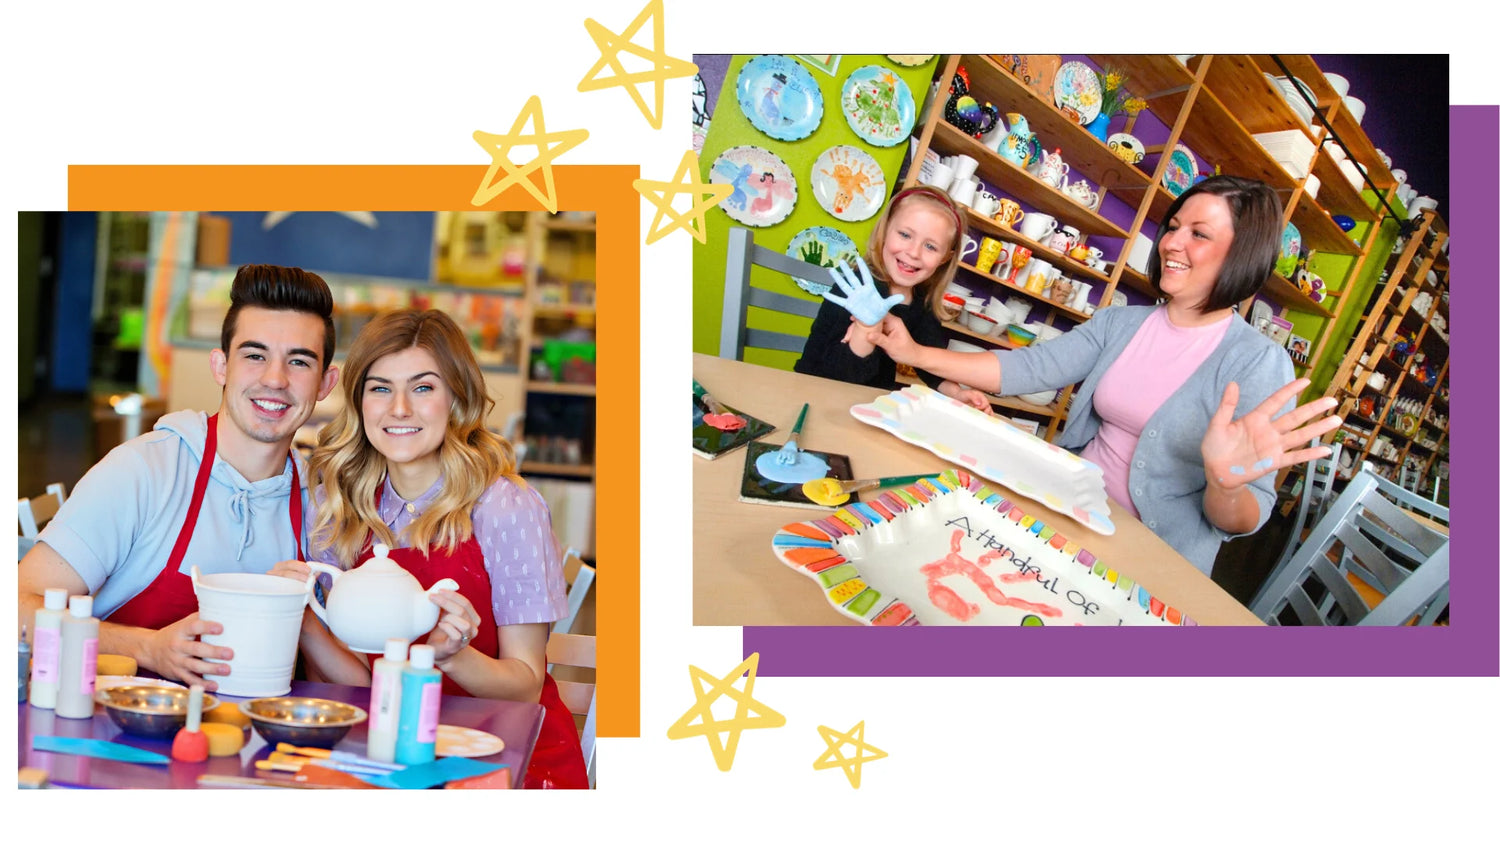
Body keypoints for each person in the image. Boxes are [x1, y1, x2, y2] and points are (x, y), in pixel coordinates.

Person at [864, 175, 1343, 576]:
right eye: (1173, 227)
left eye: (1198, 233)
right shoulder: (1122, 322)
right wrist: (915, 353)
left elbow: (1243, 519)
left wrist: (1226, 484)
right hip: (1072, 510)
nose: (1171, 242)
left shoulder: (1258, 361)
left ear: (1243, 253)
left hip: (1149, 559)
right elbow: (1031, 367)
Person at [272, 309, 588, 790]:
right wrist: (303, 617)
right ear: (359, 402)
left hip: (503, 760)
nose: (399, 408)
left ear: (455, 398)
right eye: (380, 388)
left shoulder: (505, 506)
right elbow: (358, 686)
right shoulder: (335, 505)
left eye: (423, 387)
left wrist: (450, 655)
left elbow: (525, 685)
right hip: (381, 750)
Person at [17, 265, 340, 690]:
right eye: (255, 355)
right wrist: (148, 648)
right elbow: (17, 608)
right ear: (221, 366)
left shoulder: (322, 507)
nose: (275, 379)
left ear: (325, 383)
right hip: (109, 733)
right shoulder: (143, 472)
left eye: (299, 361)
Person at [793, 185, 993, 413]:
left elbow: (928, 360)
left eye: (930, 246)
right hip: (813, 396)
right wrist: (866, 327)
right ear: (886, 230)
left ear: (945, 258)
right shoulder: (856, 287)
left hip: (869, 407)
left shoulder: (921, 302)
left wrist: (956, 393)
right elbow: (836, 375)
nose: (914, 252)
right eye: (905, 235)